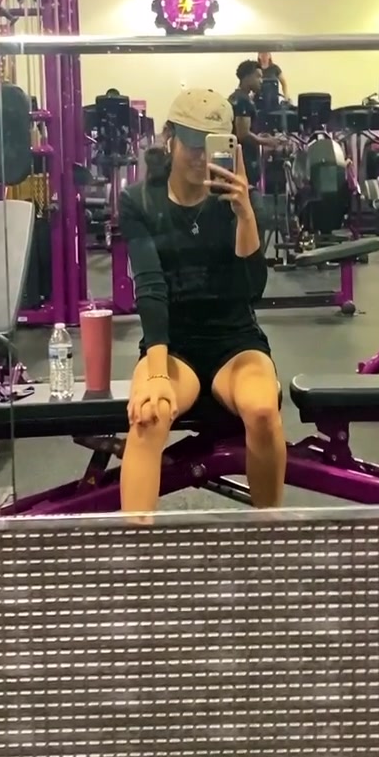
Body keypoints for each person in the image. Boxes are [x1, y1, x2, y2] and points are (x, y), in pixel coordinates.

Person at [119, 86, 286, 513]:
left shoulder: (238, 200)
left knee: (263, 412)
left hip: (235, 340)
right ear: (170, 137)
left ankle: (271, 534)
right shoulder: (140, 200)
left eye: (209, 146)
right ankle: (135, 546)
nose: (199, 157)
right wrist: (157, 373)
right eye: (192, 144)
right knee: (149, 415)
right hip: (174, 343)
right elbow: (150, 286)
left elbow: (252, 290)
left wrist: (245, 214)